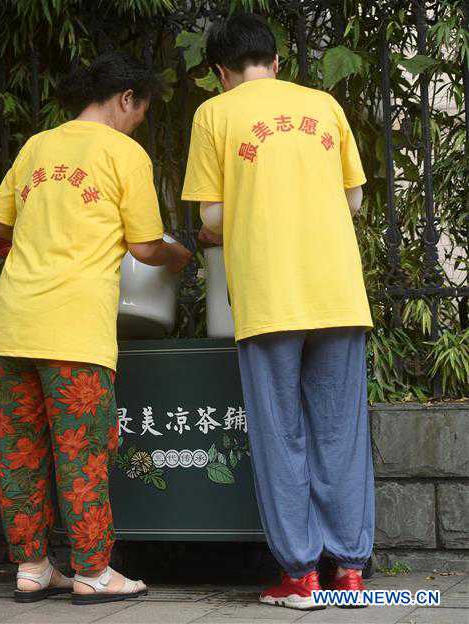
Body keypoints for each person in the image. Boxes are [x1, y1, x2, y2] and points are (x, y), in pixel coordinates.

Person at [0, 51, 192, 606]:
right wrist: (178, 257)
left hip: (15, 323)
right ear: (126, 99)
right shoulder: (124, 153)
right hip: (75, 329)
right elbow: (146, 246)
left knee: (21, 450)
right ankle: (94, 572)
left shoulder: (37, 147)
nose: (138, 122)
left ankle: (31, 567)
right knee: (82, 451)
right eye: (140, 111)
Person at [181, 13, 374, 610]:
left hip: (269, 296)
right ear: (277, 60)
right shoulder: (324, 106)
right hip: (338, 292)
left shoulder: (214, 114)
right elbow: (355, 197)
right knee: (340, 433)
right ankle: (349, 572)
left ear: (220, 72)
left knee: (280, 435)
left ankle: (300, 578)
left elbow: (210, 217)